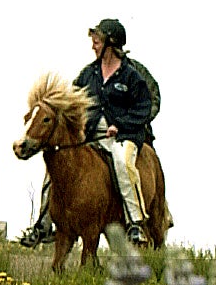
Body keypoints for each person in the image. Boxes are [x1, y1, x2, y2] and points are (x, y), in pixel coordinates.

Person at [22, 18, 157, 246]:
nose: (93, 46)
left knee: (122, 163)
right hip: (91, 135)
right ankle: (42, 225)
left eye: (97, 42)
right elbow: (71, 101)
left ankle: (135, 223)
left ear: (110, 45)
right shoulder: (89, 74)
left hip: (121, 136)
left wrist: (121, 125)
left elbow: (144, 107)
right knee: (56, 166)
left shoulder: (131, 76)